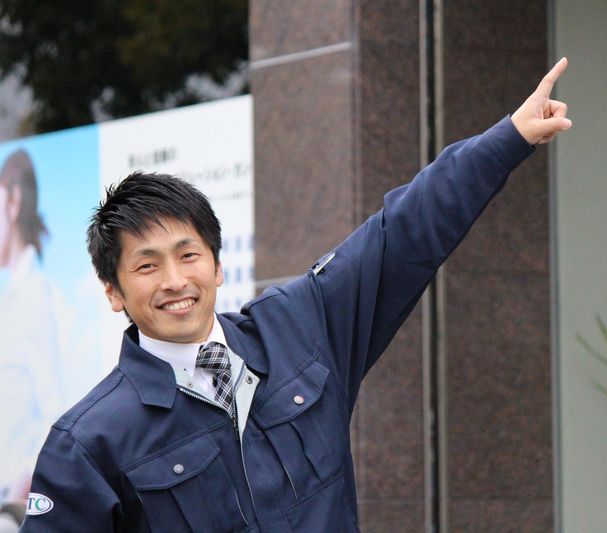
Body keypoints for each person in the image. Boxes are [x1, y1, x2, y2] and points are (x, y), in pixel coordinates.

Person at [20, 58, 572, 531]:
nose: (174, 281)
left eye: (188, 255)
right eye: (147, 266)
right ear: (113, 291)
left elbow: (402, 232)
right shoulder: (88, 443)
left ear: (217, 264)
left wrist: (508, 139)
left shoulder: (300, 330)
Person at [0, 149, 65, 508]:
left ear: (13, 201)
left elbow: (53, 413)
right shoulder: (15, 295)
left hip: (14, 507)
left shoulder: (33, 296)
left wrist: (14, 501)